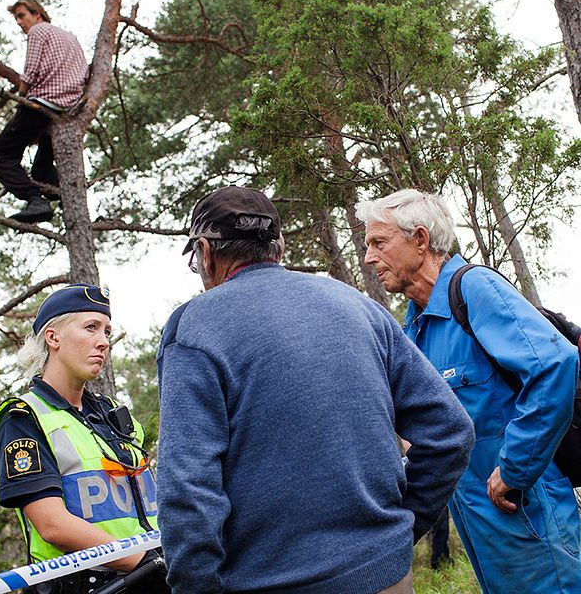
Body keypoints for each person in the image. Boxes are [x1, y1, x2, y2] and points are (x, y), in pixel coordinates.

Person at [157, 185, 475, 594]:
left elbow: (187, 487)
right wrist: (397, 531)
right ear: (280, 246)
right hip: (388, 576)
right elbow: (451, 432)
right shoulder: (358, 306)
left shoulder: (194, 327)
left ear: (204, 252)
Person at [356, 188, 581, 593]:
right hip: (479, 522)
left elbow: (554, 365)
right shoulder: (415, 328)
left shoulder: (473, 289)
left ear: (420, 240)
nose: (369, 257)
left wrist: (515, 469)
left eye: (378, 242)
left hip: (524, 508)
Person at [0, 284, 168, 593]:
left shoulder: (115, 418)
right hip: (93, 584)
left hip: (155, 576)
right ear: (53, 337)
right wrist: (149, 561)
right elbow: (52, 525)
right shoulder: (22, 419)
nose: (104, 342)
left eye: (107, 332)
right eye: (91, 328)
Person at [0, 0, 88, 224]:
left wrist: (20, 98)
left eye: (22, 16)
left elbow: (30, 71)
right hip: (67, 108)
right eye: (17, 18)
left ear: (37, 14)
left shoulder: (38, 31)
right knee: (41, 169)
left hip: (42, 103)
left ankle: (35, 200)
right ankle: (67, 201)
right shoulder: (69, 37)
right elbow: (84, 73)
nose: (19, 23)